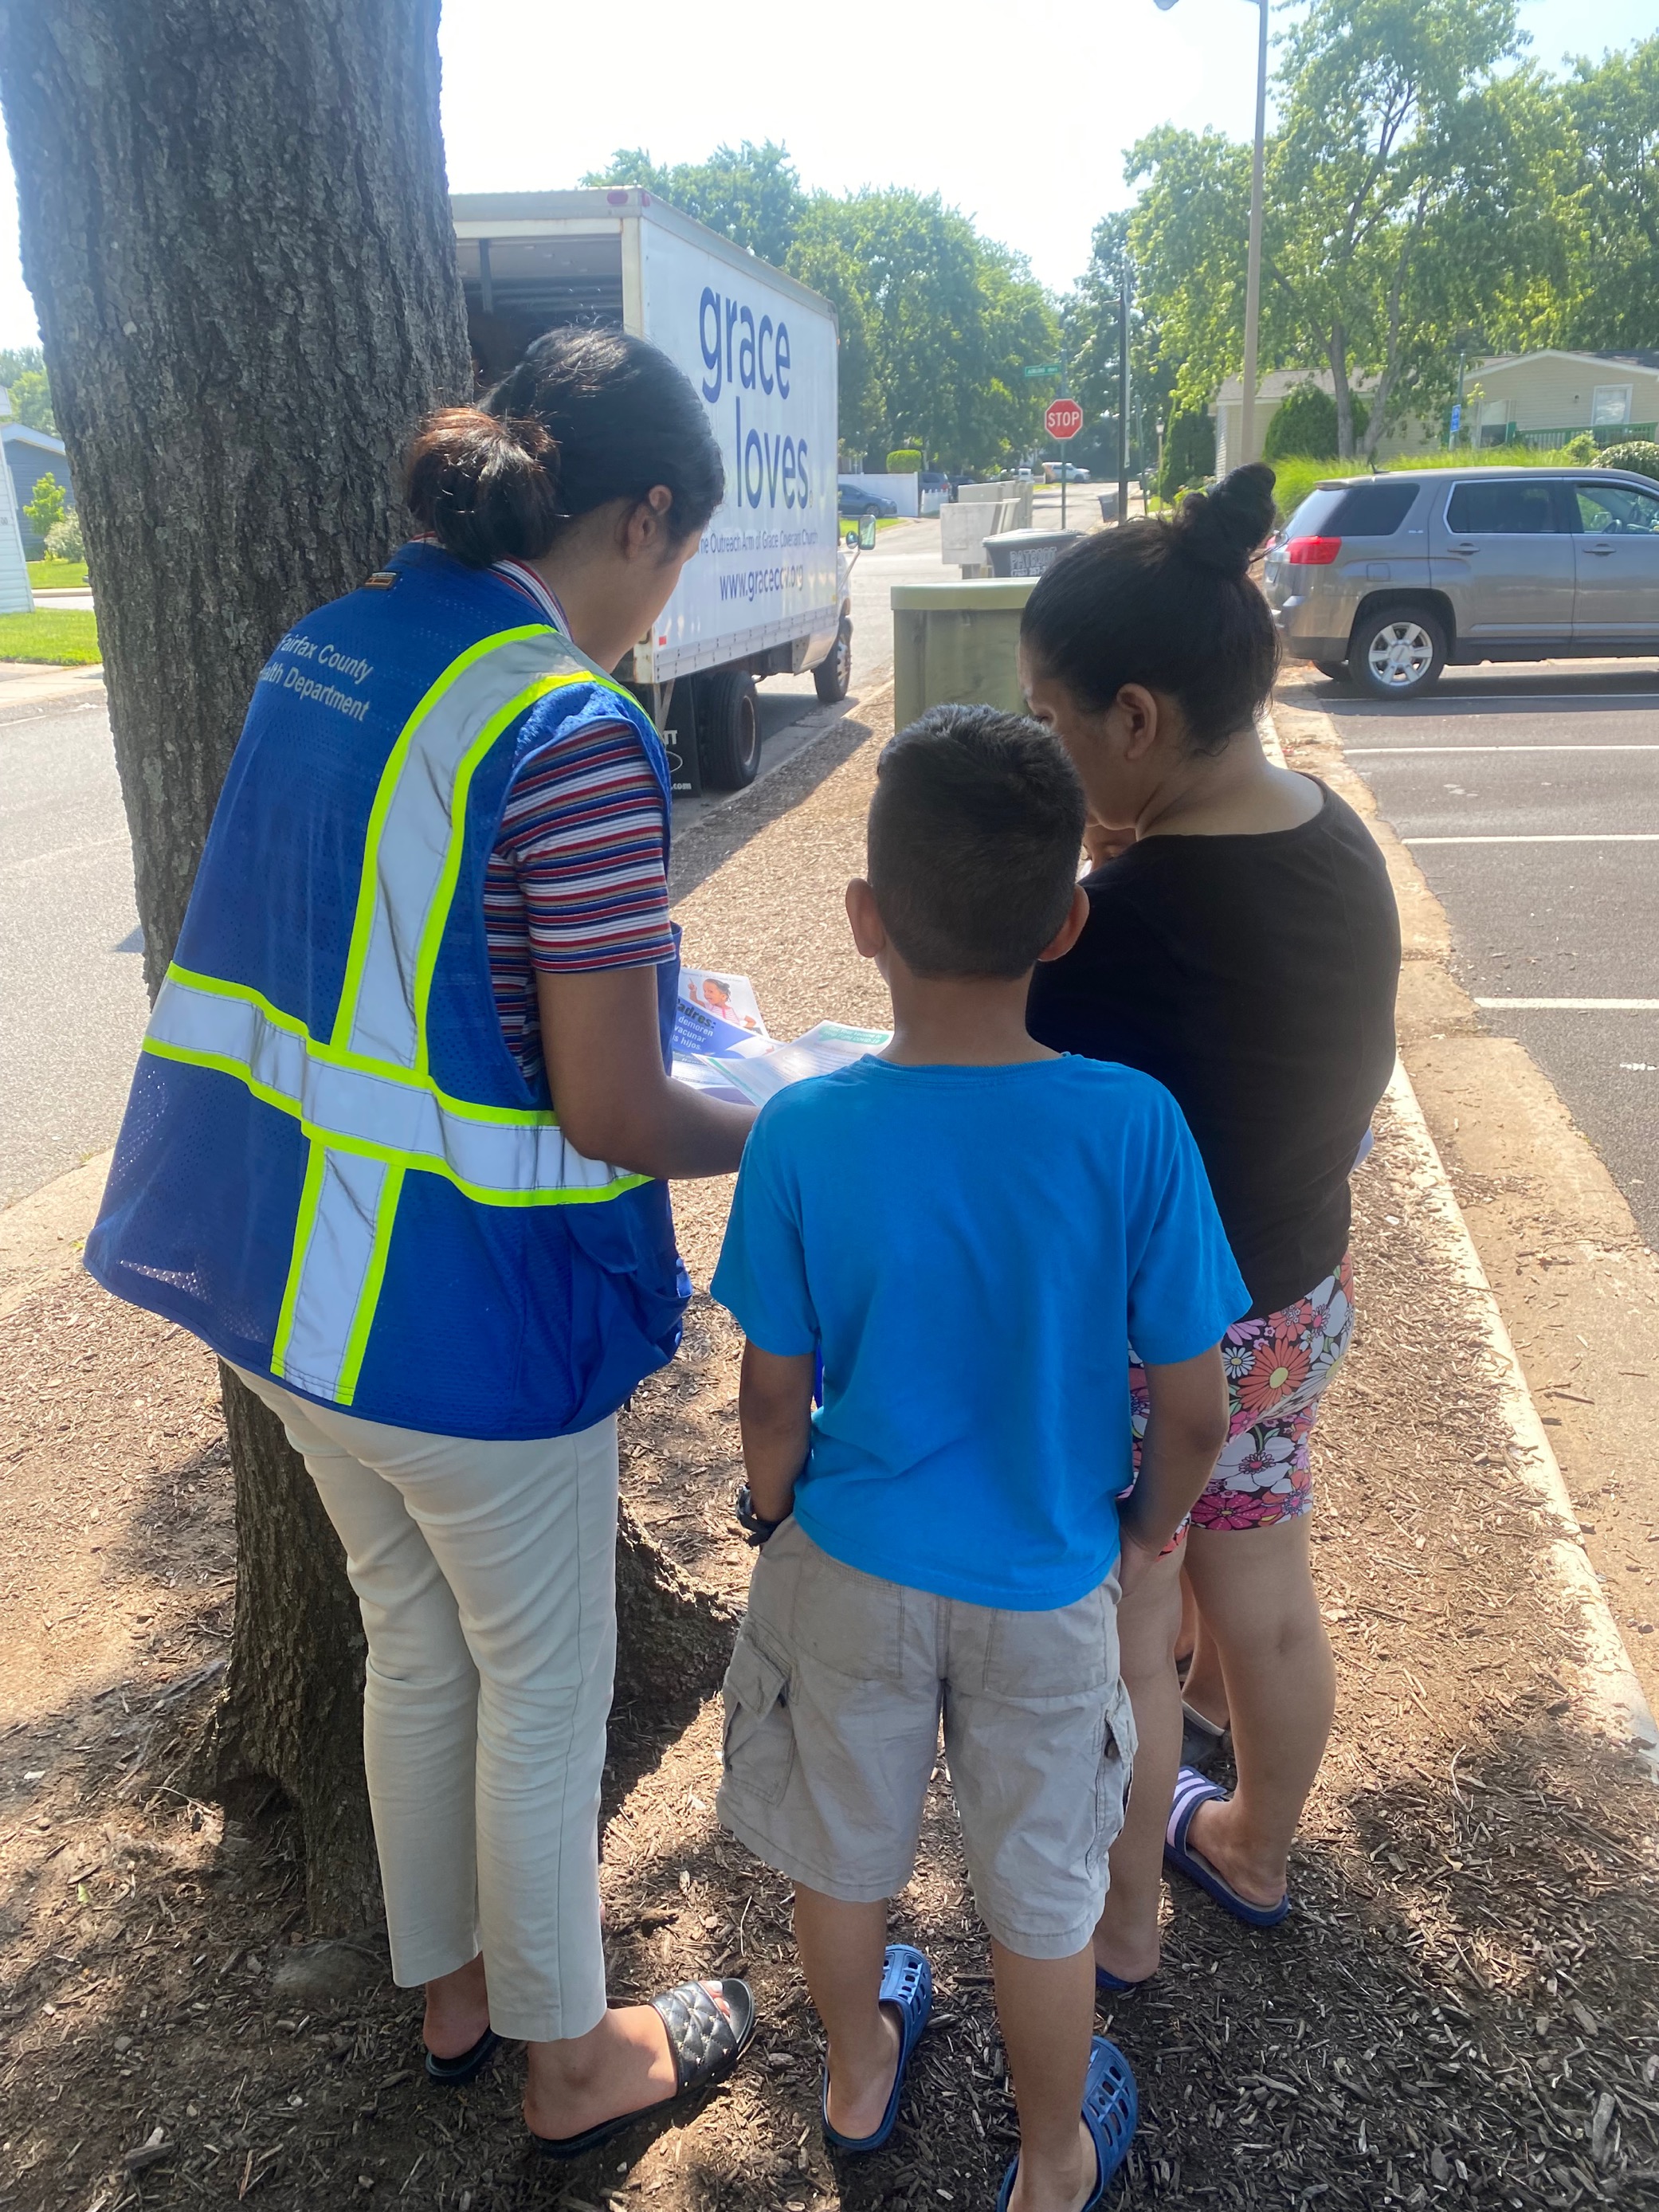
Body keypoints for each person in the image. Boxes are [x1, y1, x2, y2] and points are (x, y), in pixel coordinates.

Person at [85, 327, 762, 2154]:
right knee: (546, 1677)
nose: (662, 605)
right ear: (639, 516)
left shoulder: (331, 643)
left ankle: (449, 1988)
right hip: (464, 1323)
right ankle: (568, 2052)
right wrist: (799, 1112)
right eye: (678, 559)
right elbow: (618, 1110)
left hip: (278, 1290)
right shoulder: (570, 723)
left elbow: (395, 951)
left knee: (413, 1636)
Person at [709, 707, 1248, 2212]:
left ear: (863, 921)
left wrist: (770, 1512)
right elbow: (1195, 1413)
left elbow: (771, 1398)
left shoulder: (803, 1130)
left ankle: (859, 2072)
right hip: (1047, 1574)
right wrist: (1146, 1533)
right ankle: (1055, 2155)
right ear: (1067, 922)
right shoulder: (1130, 1125)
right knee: (1040, 1891)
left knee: (841, 1854)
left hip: (853, 1559)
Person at [1020, 463, 1401, 1978]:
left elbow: (1036, 1107)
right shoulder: (1335, 840)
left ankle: (1142, 1879)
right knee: (1269, 1573)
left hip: (1172, 1343)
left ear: (1133, 719)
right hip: (1299, 1292)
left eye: (1054, 719)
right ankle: (1259, 1838)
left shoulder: (1125, 927)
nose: (1051, 751)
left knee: (1153, 1573)